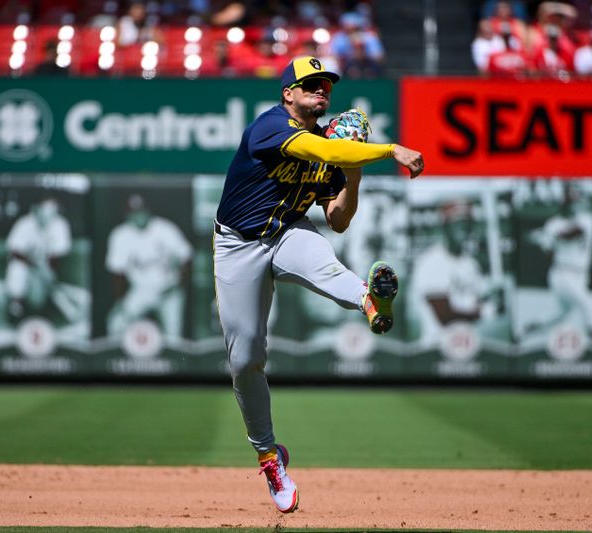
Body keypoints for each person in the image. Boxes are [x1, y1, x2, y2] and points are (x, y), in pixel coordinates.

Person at [212, 56, 423, 513]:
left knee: (326, 263)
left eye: (325, 84)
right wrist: (389, 151)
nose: (320, 89)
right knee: (246, 357)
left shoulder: (330, 146)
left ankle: (370, 300)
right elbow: (325, 152)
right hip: (238, 244)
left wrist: (355, 171)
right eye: (309, 84)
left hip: (287, 232)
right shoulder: (270, 126)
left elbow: (338, 220)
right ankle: (269, 456)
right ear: (287, 93)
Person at [411, 201, 500, 348]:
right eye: (458, 224)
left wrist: (492, 296)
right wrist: (486, 311)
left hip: (467, 346)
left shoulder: (470, 264)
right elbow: (445, 316)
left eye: (467, 224)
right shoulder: (431, 262)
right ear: (445, 227)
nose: (464, 230)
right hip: (436, 348)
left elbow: (475, 299)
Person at [106, 194, 192, 339]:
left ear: (148, 211)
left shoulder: (165, 229)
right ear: (127, 215)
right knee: (116, 324)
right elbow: (117, 272)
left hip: (169, 290)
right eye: (134, 213)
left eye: (141, 211)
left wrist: (179, 284)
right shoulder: (120, 235)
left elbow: (187, 258)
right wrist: (120, 301)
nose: (139, 216)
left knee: (174, 337)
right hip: (141, 290)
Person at [520, 186, 592, 342]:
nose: (574, 205)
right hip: (563, 273)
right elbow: (549, 254)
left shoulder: (588, 219)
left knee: (560, 314)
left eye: (577, 201)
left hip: (581, 275)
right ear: (563, 203)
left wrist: (547, 236)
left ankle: (527, 329)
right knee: (590, 304)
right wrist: (546, 244)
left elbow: (572, 233)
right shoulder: (554, 223)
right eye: (570, 202)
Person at [5, 197, 72, 323]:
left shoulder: (60, 224)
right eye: (45, 209)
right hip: (25, 264)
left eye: (53, 211)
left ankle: (48, 301)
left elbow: (58, 255)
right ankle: (16, 304)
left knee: (38, 302)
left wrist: (49, 275)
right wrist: (34, 265)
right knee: (16, 270)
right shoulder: (24, 223)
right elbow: (15, 252)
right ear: (36, 209)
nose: (48, 214)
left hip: (45, 266)